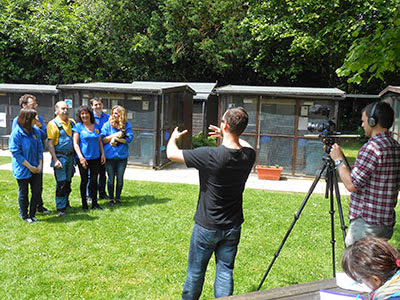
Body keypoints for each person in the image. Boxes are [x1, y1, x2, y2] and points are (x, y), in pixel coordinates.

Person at [167, 107, 256, 300]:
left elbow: (171, 154)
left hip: (207, 226)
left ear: (224, 125)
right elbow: (245, 144)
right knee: (225, 272)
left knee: (195, 273)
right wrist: (228, 135)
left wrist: (173, 137)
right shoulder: (248, 155)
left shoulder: (210, 155)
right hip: (233, 226)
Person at [330, 101, 400, 246]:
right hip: (385, 223)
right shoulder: (395, 146)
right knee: (373, 265)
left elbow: (351, 185)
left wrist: (338, 159)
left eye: (364, 121)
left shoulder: (371, 148)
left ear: (373, 121)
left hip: (367, 225)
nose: (362, 125)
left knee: (357, 265)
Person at [12, 94, 51, 214]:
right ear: (24, 106)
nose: (35, 106)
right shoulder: (17, 122)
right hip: (24, 162)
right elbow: (16, 147)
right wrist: (28, 165)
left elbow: (44, 136)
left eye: (35, 104)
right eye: (32, 104)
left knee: (37, 188)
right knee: (24, 190)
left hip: (36, 159)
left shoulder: (38, 120)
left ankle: (38, 207)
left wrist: (38, 126)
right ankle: (24, 212)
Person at [9, 108, 43, 223]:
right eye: (35, 117)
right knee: (24, 193)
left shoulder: (35, 131)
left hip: (36, 167)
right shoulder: (16, 133)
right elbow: (16, 153)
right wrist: (30, 167)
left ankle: (33, 214)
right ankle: (25, 215)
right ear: (28, 119)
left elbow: (40, 149)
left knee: (37, 191)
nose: (37, 119)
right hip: (23, 168)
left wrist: (39, 165)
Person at [73, 105, 105, 210]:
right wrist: (81, 157)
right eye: (82, 113)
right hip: (83, 159)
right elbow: (75, 143)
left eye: (86, 113)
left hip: (95, 158)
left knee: (94, 181)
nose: (84, 115)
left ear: (90, 114)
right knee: (84, 180)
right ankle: (84, 204)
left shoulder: (96, 126)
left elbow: (100, 141)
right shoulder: (78, 127)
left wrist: (103, 154)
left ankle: (95, 203)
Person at [47, 101, 76, 217]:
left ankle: (66, 202)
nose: (65, 111)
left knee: (68, 182)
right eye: (62, 109)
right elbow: (50, 144)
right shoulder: (53, 124)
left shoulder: (72, 123)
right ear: (56, 111)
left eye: (67, 108)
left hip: (70, 157)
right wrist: (55, 160)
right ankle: (60, 208)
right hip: (60, 157)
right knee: (61, 183)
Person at [101, 105, 133, 205]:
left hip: (122, 157)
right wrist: (115, 135)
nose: (114, 115)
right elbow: (103, 139)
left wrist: (118, 140)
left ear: (121, 115)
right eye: (113, 113)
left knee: (119, 179)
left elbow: (129, 139)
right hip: (109, 157)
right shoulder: (107, 125)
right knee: (110, 179)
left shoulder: (127, 125)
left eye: (116, 113)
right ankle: (111, 199)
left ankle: (118, 199)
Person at [90, 97, 110, 200]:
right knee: (91, 175)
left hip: (104, 150)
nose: (98, 106)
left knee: (103, 173)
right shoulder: (89, 118)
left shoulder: (108, 117)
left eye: (100, 104)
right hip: (92, 150)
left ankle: (102, 193)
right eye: (95, 104)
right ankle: (90, 195)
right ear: (92, 106)